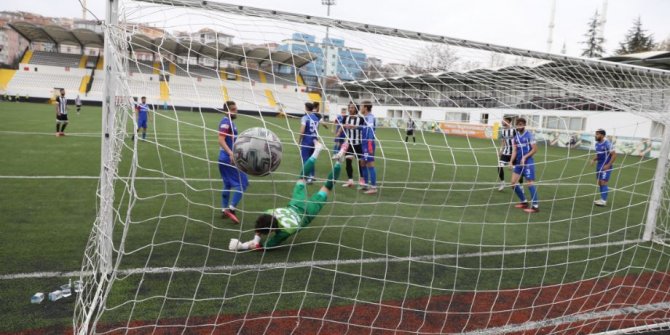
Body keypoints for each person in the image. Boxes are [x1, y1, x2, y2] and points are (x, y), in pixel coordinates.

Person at [228, 142, 341, 251]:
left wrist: (247, 246)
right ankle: (318, 151)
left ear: (272, 229)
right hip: (297, 203)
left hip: (308, 213)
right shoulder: (269, 212)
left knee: (326, 188)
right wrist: (255, 240)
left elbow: (267, 246)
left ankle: (339, 162)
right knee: (302, 178)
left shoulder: (285, 231)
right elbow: (261, 224)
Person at [218, 101, 249, 224]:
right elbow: (221, 140)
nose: (236, 111)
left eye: (236, 109)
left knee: (227, 184)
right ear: (227, 111)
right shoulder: (226, 122)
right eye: (233, 109)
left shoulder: (230, 122)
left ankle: (224, 209)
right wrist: (231, 153)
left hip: (223, 158)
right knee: (243, 183)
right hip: (228, 158)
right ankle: (231, 208)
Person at [510, 118, 539, 213]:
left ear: (524, 125)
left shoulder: (529, 135)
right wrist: (511, 161)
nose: (519, 126)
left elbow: (535, 149)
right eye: (518, 124)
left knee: (529, 183)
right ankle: (524, 202)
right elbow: (514, 150)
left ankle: (535, 206)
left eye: (521, 124)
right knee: (513, 183)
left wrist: (525, 157)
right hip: (518, 163)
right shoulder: (515, 137)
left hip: (528, 162)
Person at [335, 102, 365, 188]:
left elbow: (364, 128)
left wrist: (355, 127)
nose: (350, 109)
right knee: (348, 161)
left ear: (356, 108)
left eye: (352, 108)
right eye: (349, 107)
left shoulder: (361, 118)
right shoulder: (345, 117)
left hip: (359, 143)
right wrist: (339, 132)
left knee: (360, 163)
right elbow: (343, 125)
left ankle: (362, 179)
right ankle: (350, 180)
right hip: (349, 143)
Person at [591, 129, 616, 206]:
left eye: (597, 134)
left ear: (602, 135)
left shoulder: (607, 143)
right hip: (599, 165)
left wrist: (608, 165)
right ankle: (602, 198)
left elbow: (614, 155)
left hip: (606, 166)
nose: (596, 135)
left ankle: (603, 201)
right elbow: (599, 155)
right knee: (599, 183)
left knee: (603, 182)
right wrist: (594, 159)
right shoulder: (597, 144)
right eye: (596, 134)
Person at [299, 102, 322, 184]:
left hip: (306, 141)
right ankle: (312, 176)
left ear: (306, 108)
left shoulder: (305, 117)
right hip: (314, 140)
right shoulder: (316, 117)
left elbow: (302, 131)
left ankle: (307, 177)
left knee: (305, 159)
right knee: (312, 159)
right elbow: (317, 129)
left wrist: (299, 141)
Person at [360, 101, 377, 194]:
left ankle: (374, 188)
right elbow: (364, 128)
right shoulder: (366, 118)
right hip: (364, 143)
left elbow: (370, 131)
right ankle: (366, 185)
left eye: (361, 106)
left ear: (366, 107)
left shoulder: (370, 118)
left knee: (370, 164)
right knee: (362, 163)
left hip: (368, 144)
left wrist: (370, 145)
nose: (360, 108)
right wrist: (354, 127)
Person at [497, 117, 516, 192]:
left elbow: (518, 140)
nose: (502, 122)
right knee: (499, 166)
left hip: (514, 153)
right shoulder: (502, 130)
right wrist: (501, 150)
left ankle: (520, 186)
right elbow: (503, 141)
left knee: (517, 170)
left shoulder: (514, 130)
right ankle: (502, 183)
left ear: (508, 121)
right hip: (506, 152)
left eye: (504, 121)